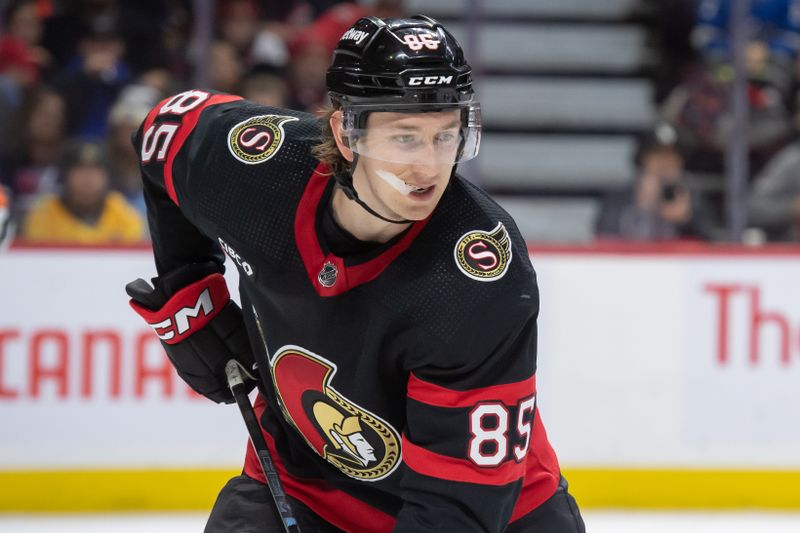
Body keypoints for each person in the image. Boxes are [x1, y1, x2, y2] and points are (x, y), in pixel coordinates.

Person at [126, 15, 585, 533]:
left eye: (446, 136)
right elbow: (161, 132)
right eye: (406, 138)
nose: (430, 168)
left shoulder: (479, 272)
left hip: (497, 513)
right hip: (306, 487)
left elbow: (459, 506)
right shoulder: (256, 170)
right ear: (347, 132)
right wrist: (190, 290)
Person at [596, 123, 713, 241]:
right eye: (657, 155)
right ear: (643, 158)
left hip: (676, 258)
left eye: (671, 156)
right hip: (635, 258)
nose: (664, 163)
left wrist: (686, 220)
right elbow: (603, 236)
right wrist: (641, 210)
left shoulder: (691, 194)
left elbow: (708, 242)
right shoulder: (621, 194)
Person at [21, 141, 145, 244]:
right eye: (80, 169)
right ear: (66, 174)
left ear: (107, 176)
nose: (88, 176)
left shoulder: (123, 213)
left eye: (95, 169)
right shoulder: (44, 214)